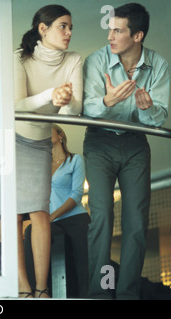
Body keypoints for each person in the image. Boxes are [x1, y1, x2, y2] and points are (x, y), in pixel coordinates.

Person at [83, 3, 170, 299]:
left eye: (118, 30)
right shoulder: (96, 60)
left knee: (135, 221)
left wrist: (148, 109)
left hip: (136, 145)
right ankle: (99, 293)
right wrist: (106, 101)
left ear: (137, 35)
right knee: (102, 217)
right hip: (99, 142)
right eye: (110, 29)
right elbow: (85, 108)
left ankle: (128, 294)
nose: (110, 36)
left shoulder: (159, 66)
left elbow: (160, 116)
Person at [14, 5, 82, 298]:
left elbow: (75, 110)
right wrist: (49, 94)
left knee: (39, 212)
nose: (69, 32)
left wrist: (65, 100)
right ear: (44, 29)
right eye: (63, 26)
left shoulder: (74, 59)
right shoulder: (19, 58)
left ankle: (42, 291)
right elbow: (16, 105)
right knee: (13, 216)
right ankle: (23, 289)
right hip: (12, 137)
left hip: (40, 140)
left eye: (70, 27)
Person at [24, 124, 90, 298]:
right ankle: (34, 292)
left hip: (76, 220)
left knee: (81, 267)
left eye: (48, 130)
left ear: (60, 135)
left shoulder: (75, 160)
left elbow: (76, 195)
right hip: (52, 223)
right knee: (31, 232)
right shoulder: (42, 165)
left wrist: (51, 216)